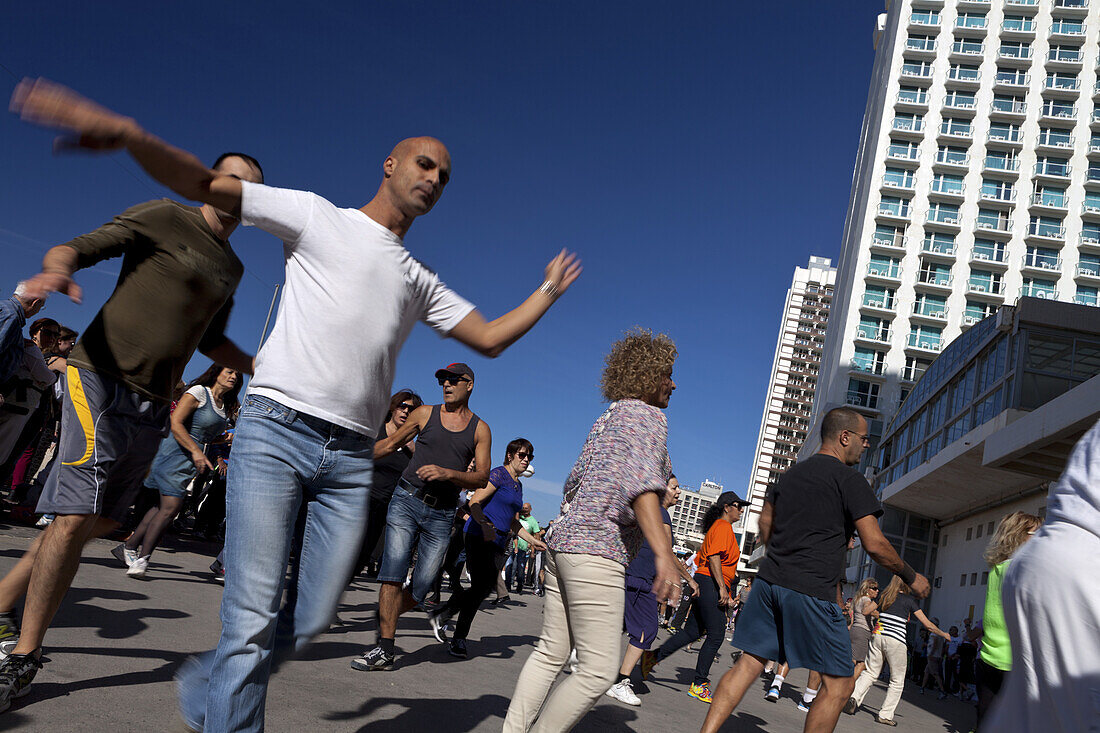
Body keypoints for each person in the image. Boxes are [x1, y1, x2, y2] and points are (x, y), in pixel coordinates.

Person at [8, 78, 582, 728]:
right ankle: (220, 706)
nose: (435, 179)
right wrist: (132, 135)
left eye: (445, 176)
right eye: (425, 163)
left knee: (308, 617)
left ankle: (212, 685)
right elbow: (204, 183)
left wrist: (546, 292)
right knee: (249, 614)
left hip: (347, 457)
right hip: (274, 433)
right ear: (389, 164)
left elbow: (489, 336)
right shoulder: (316, 215)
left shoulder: (417, 278)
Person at [0, 131, 260, 713]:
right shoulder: (166, 216)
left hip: (151, 401)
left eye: (253, 189)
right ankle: (22, 656)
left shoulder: (234, 268)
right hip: (97, 376)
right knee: (72, 517)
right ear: (208, 180)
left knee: (103, 520)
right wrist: (54, 271)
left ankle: (2, 600)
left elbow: (212, 338)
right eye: (233, 180)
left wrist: (261, 365)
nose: (241, 193)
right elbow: (81, 246)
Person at [702, 407, 932, 733]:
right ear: (844, 437)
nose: (866, 445)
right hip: (811, 591)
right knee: (839, 686)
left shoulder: (791, 475)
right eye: (864, 439)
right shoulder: (850, 480)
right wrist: (912, 576)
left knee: (749, 664)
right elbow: (876, 544)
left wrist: (789, 549)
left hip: (769, 584)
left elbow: (765, 523)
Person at [503, 328, 680, 732]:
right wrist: (665, 557)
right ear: (648, 376)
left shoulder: (609, 418)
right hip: (597, 551)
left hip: (563, 545)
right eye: (667, 374)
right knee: (599, 672)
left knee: (550, 653)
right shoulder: (648, 417)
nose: (673, 383)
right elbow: (640, 489)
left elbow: (572, 484)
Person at [351, 362, 491, 672]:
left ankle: (386, 614)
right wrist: (345, 460)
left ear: (470, 385)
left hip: (442, 513)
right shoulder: (425, 414)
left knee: (422, 586)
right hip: (406, 500)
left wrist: (448, 473)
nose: (447, 384)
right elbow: (389, 444)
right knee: (393, 573)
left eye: (455, 380)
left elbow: (481, 478)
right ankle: (385, 649)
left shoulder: (480, 429)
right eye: (443, 379)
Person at [111, 364, 241, 577]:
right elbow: (176, 423)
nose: (234, 376)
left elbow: (204, 435)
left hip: (192, 457)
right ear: (216, 373)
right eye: (229, 371)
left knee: (160, 507)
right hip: (175, 452)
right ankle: (142, 559)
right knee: (172, 507)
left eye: (236, 373)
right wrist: (196, 452)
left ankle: (128, 547)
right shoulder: (199, 392)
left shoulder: (222, 405)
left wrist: (222, 439)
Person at [428, 439, 544, 658]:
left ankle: (444, 615)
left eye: (530, 456)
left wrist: (531, 539)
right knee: (481, 586)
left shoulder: (518, 485)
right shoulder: (498, 474)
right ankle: (458, 638)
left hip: (499, 540)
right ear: (510, 455)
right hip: (478, 534)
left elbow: (512, 521)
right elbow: (474, 503)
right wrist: (484, 524)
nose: (526, 459)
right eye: (522, 455)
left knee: (482, 589)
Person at [642, 491, 748, 703]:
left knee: (692, 632)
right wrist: (722, 588)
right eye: (738, 505)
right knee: (717, 635)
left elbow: (709, 558)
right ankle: (699, 684)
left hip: (705, 582)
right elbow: (714, 557)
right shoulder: (722, 527)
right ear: (727, 507)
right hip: (710, 583)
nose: (742, 509)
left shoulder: (719, 528)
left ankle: (652, 658)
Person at [606, 476, 698, 707]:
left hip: (635, 575)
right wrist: (687, 580)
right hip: (640, 579)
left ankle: (585, 657)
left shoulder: (650, 511)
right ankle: (620, 681)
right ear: (660, 488)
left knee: (620, 624)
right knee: (647, 628)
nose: (678, 492)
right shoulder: (661, 513)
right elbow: (666, 551)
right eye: (675, 487)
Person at [844, 576, 950, 725]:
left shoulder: (884, 596)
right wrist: (944, 634)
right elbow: (928, 625)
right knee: (897, 680)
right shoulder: (909, 601)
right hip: (896, 641)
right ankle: (885, 715)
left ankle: (854, 697)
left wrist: (880, 610)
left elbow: (866, 610)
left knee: (870, 672)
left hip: (878, 636)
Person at [970, 512, 1039, 730]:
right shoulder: (1024, 570)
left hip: (989, 659)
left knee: (986, 718)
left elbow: (991, 616)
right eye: (1036, 533)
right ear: (1020, 536)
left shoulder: (996, 569)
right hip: (1015, 663)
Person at [349, 390, 423, 580]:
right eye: (402, 406)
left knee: (361, 559)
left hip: (382, 509)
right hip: (356, 500)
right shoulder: (375, 430)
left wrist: (414, 449)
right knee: (341, 553)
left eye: (412, 409)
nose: (406, 412)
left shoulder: (412, 448)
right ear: (393, 407)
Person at [848, 578, 879, 680]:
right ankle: (848, 686)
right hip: (863, 632)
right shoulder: (867, 600)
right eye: (874, 588)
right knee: (861, 664)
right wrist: (881, 615)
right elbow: (867, 609)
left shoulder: (857, 599)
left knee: (852, 660)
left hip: (854, 630)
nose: (877, 591)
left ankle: (843, 683)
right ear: (867, 589)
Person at [509, 503, 540, 594]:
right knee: (510, 566)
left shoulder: (533, 521)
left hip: (523, 549)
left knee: (520, 569)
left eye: (526, 508)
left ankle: (519, 585)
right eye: (523, 508)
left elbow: (536, 534)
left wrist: (533, 549)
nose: (524, 510)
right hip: (513, 546)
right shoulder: (518, 517)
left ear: (530, 509)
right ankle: (508, 585)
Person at [920, 617, 948, 698]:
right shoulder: (939, 633)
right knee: (927, 672)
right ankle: (922, 688)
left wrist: (931, 654)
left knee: (935, 674)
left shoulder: (934, 633)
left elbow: (935, 644)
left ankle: (942, 691)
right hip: (936, 655)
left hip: (933, 656)